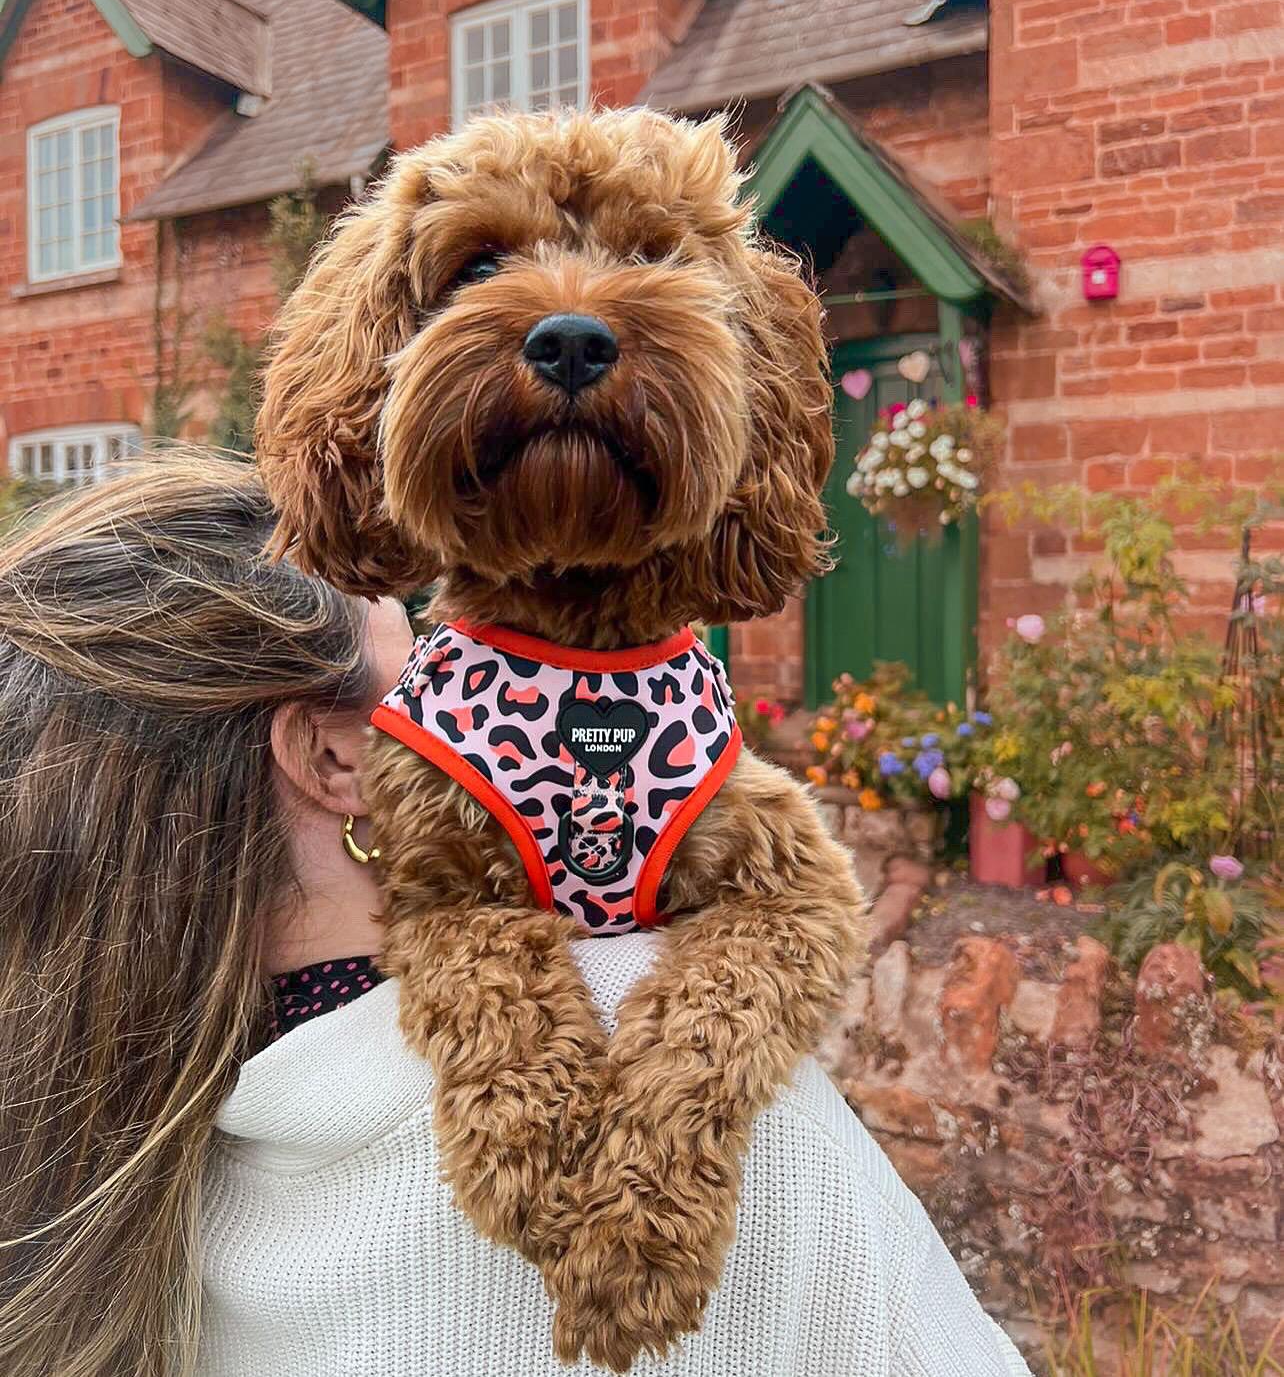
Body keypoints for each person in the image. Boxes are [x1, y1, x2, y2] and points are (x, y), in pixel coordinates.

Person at [0, 453, 1032, 1377]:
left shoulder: (113, 1182)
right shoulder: (698, 1092)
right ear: (339, 761)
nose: (497, 697)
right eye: (437, 672)